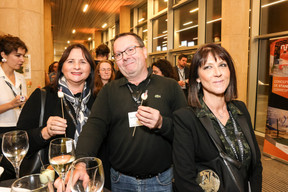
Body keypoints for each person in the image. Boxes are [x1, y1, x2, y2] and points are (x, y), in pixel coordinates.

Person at [58, 32, 187, 192]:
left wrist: (162, 123)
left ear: (144, 51)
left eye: (130, 50)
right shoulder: (109, 91)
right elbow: (94, 127)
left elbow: (187, 133)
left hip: (161, 182)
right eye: (119, 54)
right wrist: (80, 163)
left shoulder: (170, 87)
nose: (125, 57)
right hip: (120, 182)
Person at [173, 43, 262, 192]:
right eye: (208, 67)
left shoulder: (240, 109)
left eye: (222, 65)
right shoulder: (186, 118)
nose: (217, 73)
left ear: (230, 71)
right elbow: (184, 180)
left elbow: (256, 165)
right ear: (197, 78)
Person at [17, 43, 95, 168]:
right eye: (70, 61)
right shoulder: (43, 96)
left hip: (91, 172)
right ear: (61, 67)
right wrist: (45, 132)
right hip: (53, 175)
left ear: (90, 68)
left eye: (83, 62)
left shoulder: (99, 98)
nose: (76, 67)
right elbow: (19, 141)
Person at [0, 35, 28, 134]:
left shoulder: (21, 77)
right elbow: (12, 105)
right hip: (2, 129)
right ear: (4, 55)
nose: (22, 60)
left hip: (20, 127)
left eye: (23, 56)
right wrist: (11, 105)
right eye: (18, 55)